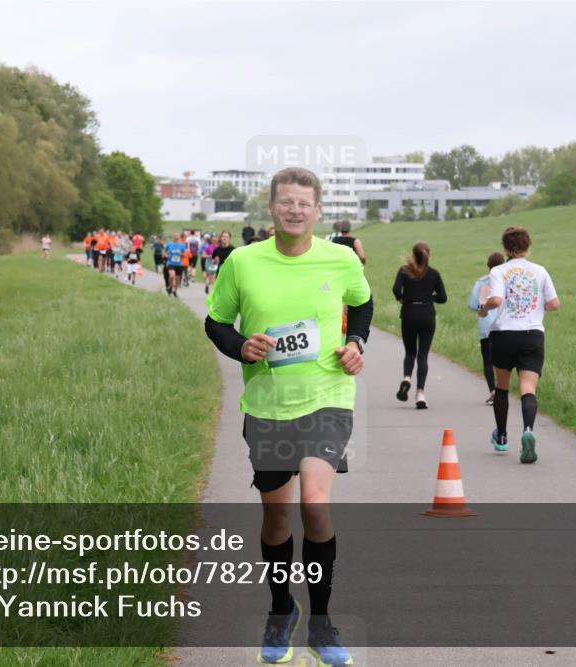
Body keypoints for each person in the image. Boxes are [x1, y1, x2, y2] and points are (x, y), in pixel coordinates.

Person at [205, 167, 372, 666]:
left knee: (315, 507)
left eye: (304, 203)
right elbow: (216, 322)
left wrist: (356, 343)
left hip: (327, 397)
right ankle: (282, 611)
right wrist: (242, 346)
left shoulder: (340, 258)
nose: (295, 210)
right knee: (277, 518)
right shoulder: (242, 261)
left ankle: (322, 624)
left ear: (318, 211)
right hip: (268, 406)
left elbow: (362, 306)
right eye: (286, 202)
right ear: (272, 209)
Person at [480, 226, 561, 463]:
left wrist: (485, 308)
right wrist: (537, 308)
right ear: (528, 246)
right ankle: (528, 431)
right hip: (532, 335)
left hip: (504, 335)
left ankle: (502, 437)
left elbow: (496, 299)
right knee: (528, 387)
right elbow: (555, 303)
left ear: (506, 247)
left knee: (502, 387)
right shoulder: (540, 271)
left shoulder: (498, 271)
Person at [392, 242, 447, 409]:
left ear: (413, 254)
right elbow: (443, 298)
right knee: (423, 356)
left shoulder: (404, 270)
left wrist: (403, 299)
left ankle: (406, 378)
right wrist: (430, 298)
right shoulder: (434, 274)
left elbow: (395, 290)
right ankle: (420, 394)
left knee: (410, 353)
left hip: (408, 314)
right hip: (427, 316)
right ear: (428, 254)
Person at [468, 252, 505, 405]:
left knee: (488, 360)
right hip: (506, 325)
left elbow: (472, 304)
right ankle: (504, 391)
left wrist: (481, 307)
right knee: (504, 361)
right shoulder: (507, 280)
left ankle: (493, 391)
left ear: (488, 266)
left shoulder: (482, 282)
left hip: (487, 326)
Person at [164, 232, 186, 297]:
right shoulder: (169, 244)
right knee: (171, 275)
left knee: (177, 280)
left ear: (179, 237)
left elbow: (184, 255)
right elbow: (164, 251)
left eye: (177, 236)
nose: (176, 237)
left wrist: (181, 254)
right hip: (171, 263)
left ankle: (175, 290)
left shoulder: (182, 245)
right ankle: (170, 286)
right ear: (173, 237)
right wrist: (166, 255)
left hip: (179, 264)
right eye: (174, 236)